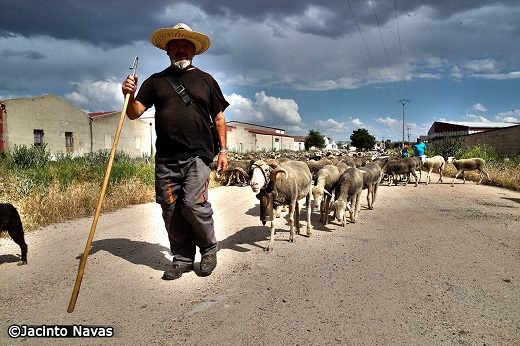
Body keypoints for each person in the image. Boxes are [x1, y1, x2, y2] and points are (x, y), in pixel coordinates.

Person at [121, 23, 229, 280]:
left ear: (194, 51)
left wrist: (223, 151)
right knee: (170, 208)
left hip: (198, 156)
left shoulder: (206, 80)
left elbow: (219, 118)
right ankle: (181, 259)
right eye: (176, 46)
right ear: (168, 51)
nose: (181, 50)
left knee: (193, 204)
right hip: (166, 159)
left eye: (186, 46)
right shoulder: (155, 81)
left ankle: (209, 248)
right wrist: (128, 94)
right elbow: (135, 112)